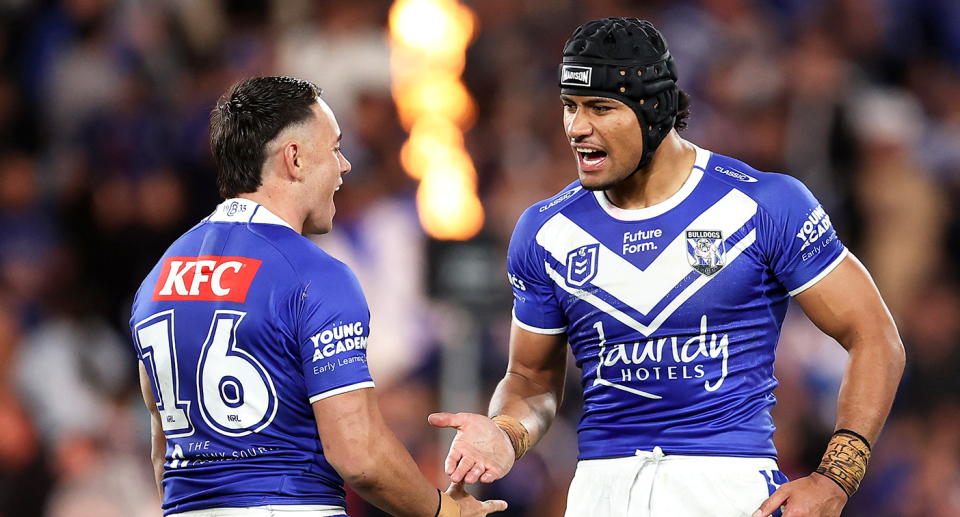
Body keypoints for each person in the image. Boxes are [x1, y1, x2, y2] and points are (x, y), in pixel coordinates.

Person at [428, 18, 905, 517]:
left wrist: (836, 478)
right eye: (570, 106)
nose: (576, 127)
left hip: (729, 490)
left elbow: (876, 337)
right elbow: (529, 377)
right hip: (598, 492)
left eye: (601, 108)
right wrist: (507, 433)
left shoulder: (763, 204)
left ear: (654, 110)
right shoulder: (544, 230)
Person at [130, 76, 507, 517]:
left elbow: (164, 450)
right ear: (295, 158)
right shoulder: (313, 274)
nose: (344, 165)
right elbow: (358, 454)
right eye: (334, 149)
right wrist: (445, 511)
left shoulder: (159, 277)